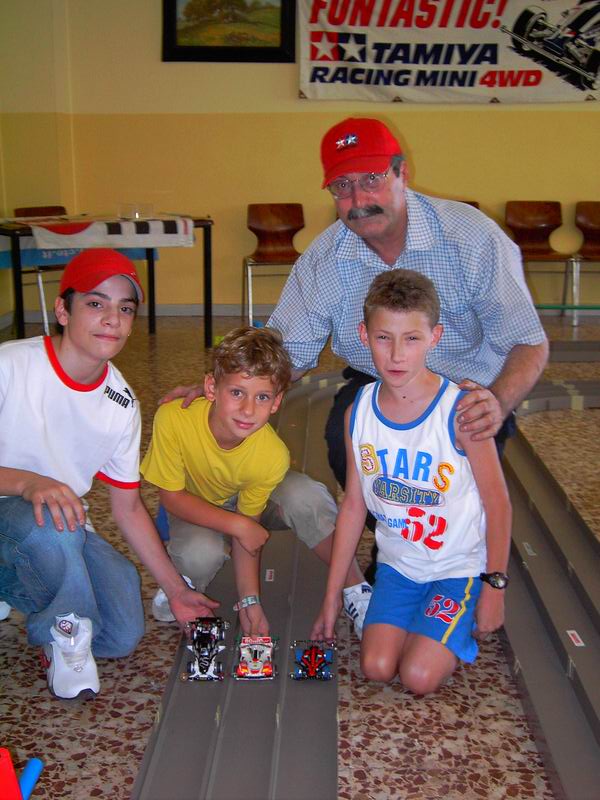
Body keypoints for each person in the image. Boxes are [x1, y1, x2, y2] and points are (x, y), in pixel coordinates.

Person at [164, 117, 547, 581]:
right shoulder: (325, 258)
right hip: (378, 379)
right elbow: (287, 349)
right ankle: (396, 538)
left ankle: (456, 554)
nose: (359, 200)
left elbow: (528, 341)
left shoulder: (472, 238)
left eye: (372, 179)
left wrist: (497, 403)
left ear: (402, 173)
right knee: (345, 441)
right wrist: (226, 385)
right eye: (342, 187)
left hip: (463, 388)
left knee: (454, 484)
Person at [0, 249, 218, 701]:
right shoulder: (10, 366)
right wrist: (27, 482)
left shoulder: (120, 402)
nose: (112, 320)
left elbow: (128, 507)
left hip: (58, 525)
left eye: (125, 308)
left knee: (120, 632)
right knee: (53, 525)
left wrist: (175, 589)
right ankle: (64, 632)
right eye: (96, 303)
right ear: (63, 310)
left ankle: (19, 585)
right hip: (30, 516)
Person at [312, 269, 512, 695]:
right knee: (377, 667)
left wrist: (494, 588)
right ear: (364, 335)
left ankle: (449, 623)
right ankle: (419, 621)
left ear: (435, 337)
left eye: (412, 339)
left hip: (457, 569)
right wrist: (331, 596)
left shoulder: (462, 411)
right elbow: (354, 505)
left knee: (418, 677)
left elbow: (498, 504)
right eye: (384, 338)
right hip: (399, 569)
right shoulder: (358, 413)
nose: (397, 354)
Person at [141, 326, 369, 637]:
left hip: (249, 502)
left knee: (307, 498)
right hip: (194, 505)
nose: (248, 410)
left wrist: (250, 600)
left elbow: (250, 528)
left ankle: (356, 588)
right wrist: (238, 525)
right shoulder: (173, 418)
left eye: (262, 397)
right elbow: (172, 498)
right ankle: (181, 583)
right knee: (200, 554)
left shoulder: (271, 455)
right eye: (237, 393)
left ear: (276, 402)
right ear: (211, 388)